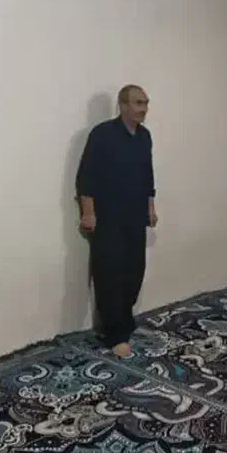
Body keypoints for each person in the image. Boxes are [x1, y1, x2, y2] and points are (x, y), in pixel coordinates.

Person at [77, 85, 157, 358]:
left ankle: (125, 323)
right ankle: (115, 334)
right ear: (122, 105)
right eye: (138, 103)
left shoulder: (144, 136)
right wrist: (88, 212)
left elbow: (148, 175)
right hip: (108, 216)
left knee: (134, 270)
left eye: (145, 103)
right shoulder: (102, 134)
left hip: (135, 215)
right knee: (109, 274)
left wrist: (150, 207)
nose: (143, 108)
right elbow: (86, 176)